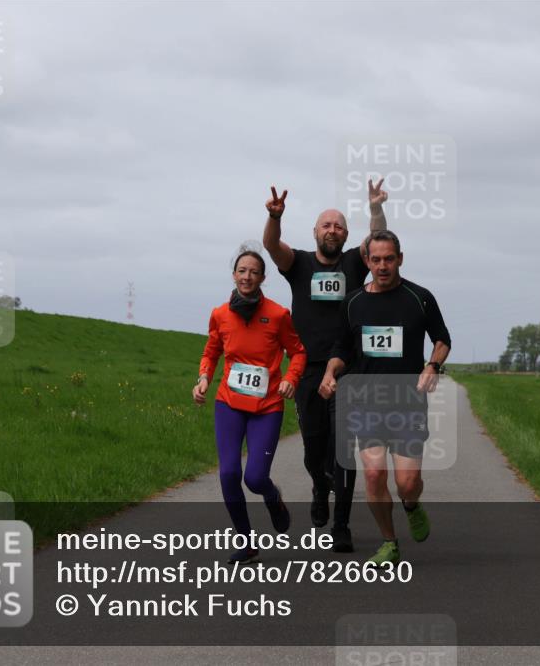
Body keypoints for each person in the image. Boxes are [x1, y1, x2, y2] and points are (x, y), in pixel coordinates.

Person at [261, 180, 388, 553]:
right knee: (314, 450)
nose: (332, 230)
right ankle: (319, 486)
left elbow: (378, 237)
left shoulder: (353, 262)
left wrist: (375, 207)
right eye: (326, 225)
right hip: (307, 368)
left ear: (346, 235)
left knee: (343, 448)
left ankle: (341, 525)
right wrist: (274, 217)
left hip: (349, 367)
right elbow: (271, 246)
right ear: (315, 233)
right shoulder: (298, 263)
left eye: (338, 226)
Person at [319, 229, 451, 564]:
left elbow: (442, 338)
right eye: (375, 259)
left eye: (389, 259)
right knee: (374, 475)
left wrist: (433, 366)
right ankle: (389, 542)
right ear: (367, 261)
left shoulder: (419, 298)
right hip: (367, 403)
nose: (382, 266)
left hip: (408, 405)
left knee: (407, 483)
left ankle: (411, 504)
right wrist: (330, 371)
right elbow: (341, 349)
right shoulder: (353, 303)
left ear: (400, 259)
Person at [193, 248, 307, 564]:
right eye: (242, 270)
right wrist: (203, 377)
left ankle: (273, 497)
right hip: (229, 404)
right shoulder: (220, 314)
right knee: (229, 474)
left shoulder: (278, 314)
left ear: (262, 278)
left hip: (267, 407)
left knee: (255, 478)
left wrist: (291, 379)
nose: (247, 277)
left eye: (253, 272)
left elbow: (298, 353)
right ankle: (246, 541)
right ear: (234, 275)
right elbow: (211, 351)